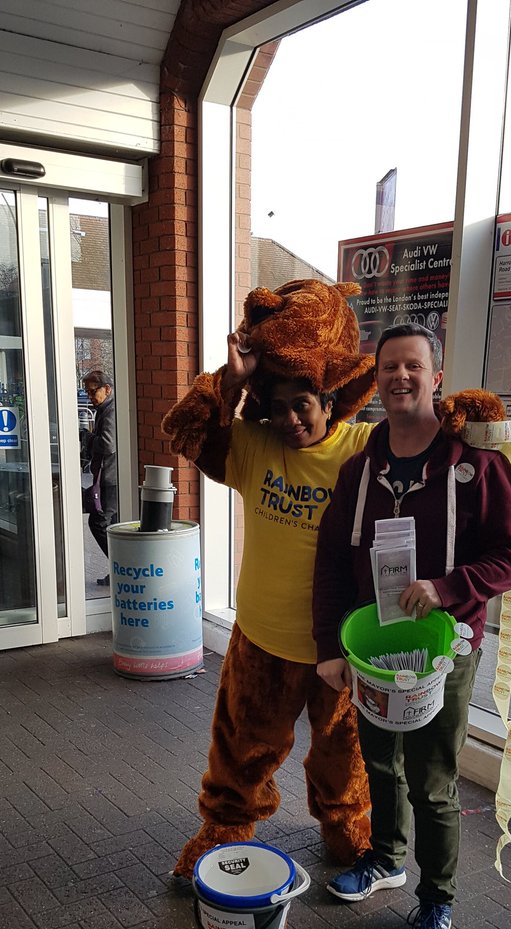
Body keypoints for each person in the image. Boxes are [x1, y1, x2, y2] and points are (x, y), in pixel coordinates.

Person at [313, 324, 511, 929]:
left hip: (447, 647)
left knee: (433, 780)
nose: (400, 377)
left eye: (413, 366)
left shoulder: (477, 466)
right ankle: (385, 858)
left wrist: (449, 587)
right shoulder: (360, 470)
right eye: (389, 367)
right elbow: (330, 561)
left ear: (435, 377)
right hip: (373, 651)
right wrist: (329, 646)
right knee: (378, 762)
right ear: (376, 378)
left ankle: (437, 900)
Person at [162, 279, 378, 879]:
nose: (288, 419)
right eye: (276, 405)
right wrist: (231, 380)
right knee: (243, 751)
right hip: (261, 639)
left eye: (301, 405)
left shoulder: (365, 451)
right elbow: (186, 432)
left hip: (338, 647)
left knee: (343, 755)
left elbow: (435, 449)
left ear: (329, 401)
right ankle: (226, 826)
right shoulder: (255, 446)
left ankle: (349, 827)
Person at [81, 369, 117, 586]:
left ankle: (120, 568)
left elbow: (107, 444)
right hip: (110, 476)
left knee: (99, 522)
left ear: (108, 389)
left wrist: (87, 437)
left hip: (111, 478)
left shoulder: (110, 411)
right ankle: (119, 569)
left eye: (93, 392)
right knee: (111, 524)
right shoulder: (106, 408)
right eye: (87, 393)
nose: (90, 397)